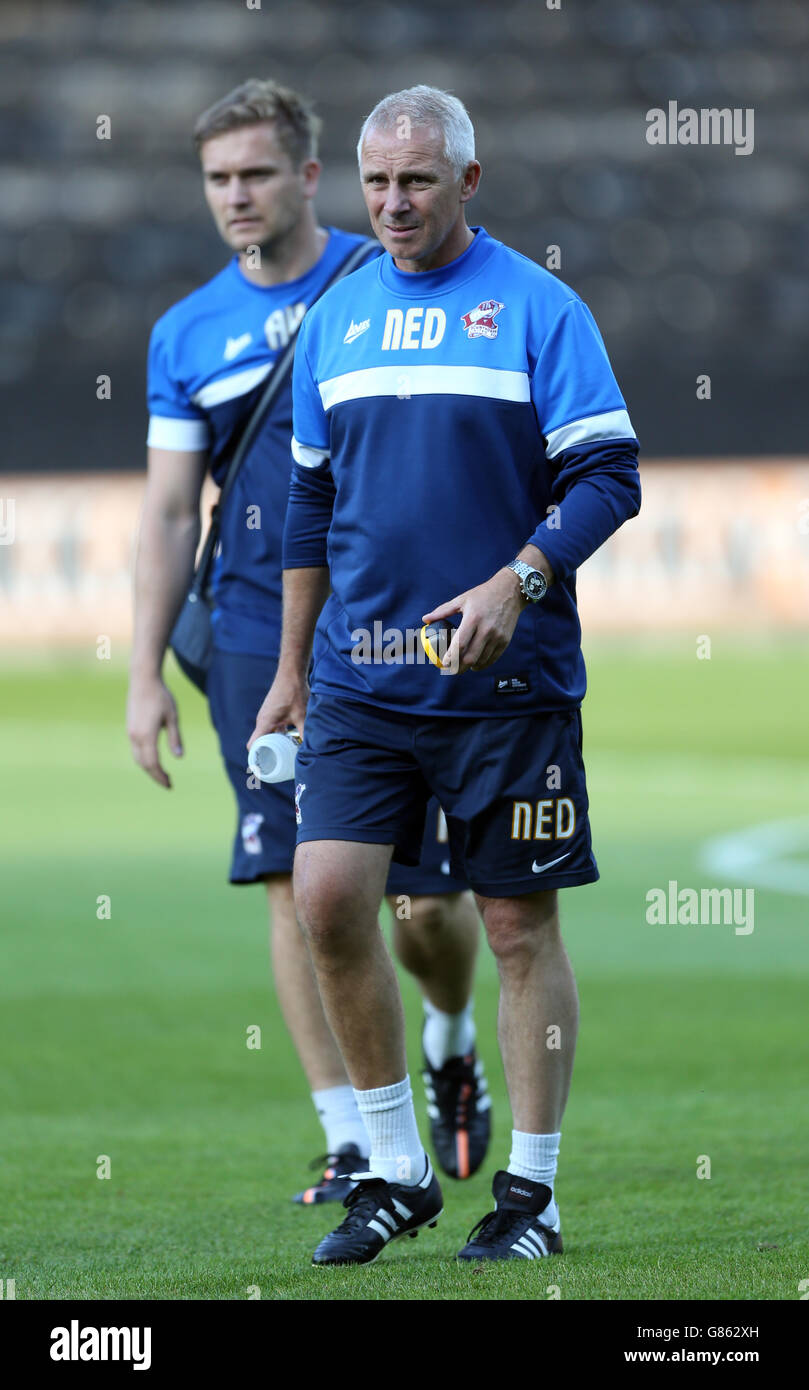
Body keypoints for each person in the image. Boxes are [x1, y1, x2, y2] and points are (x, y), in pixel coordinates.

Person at [250, 84, 641, 1265]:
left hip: (506, 683)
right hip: (361, 677)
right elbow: (311, 502)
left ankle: (529, 1194)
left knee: (517, 929)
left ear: (468, 181)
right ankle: (396, 1167)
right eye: (374, 181)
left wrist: (515, 579)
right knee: (325, 900)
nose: (392, 202)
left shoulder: (539, 306)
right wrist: (289, 669)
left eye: (416, 181)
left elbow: (609, 478)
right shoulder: (335, 314)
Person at [126, 79, 492, 1205]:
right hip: (248, 631)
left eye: (254, 174)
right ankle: (351, 1137)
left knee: (423, 905)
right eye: (216, 179)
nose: (234, 196)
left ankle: (446, 1029)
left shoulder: (374, 279)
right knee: (296, 884)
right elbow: (166, 509)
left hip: (389, 624)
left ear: (308, 177)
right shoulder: (185, 333)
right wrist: (141, 671)